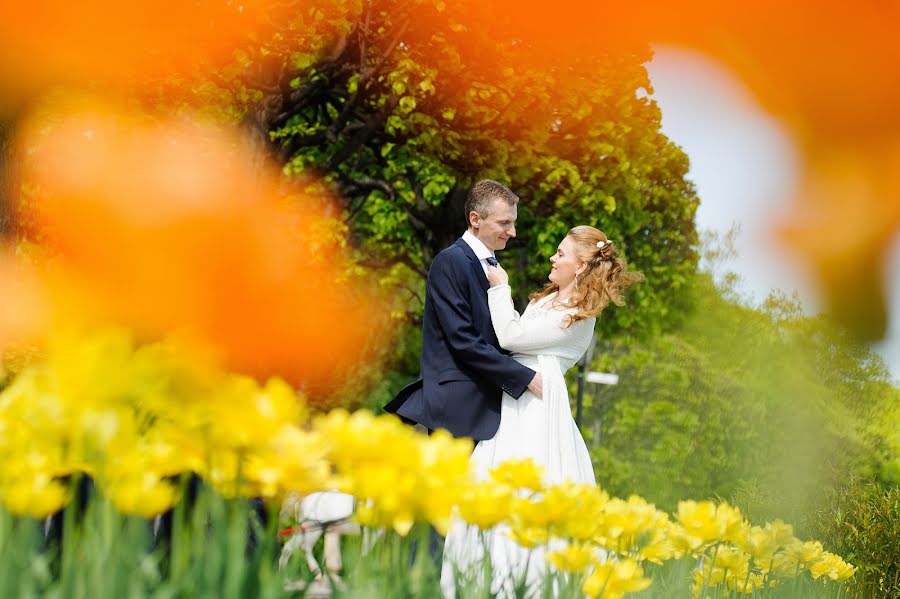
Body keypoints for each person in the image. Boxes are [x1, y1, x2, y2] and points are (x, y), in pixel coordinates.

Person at [440, 225, 644, 598]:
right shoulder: (546, 301)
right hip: (514, 399)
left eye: (561, 253)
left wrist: (500, 285)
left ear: (581, 266)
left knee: (528, 488)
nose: (553, 257)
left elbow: (511, 338)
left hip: (535, 412)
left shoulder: (577, 315)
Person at [384, 179, 543, 441]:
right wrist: (525, 377)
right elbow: (463, 340)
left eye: (513, 223)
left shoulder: (493, 268)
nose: (512, 232)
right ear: (475, 219)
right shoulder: (450, 261)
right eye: (504, 223)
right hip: (458, 408)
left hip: (485, 407)